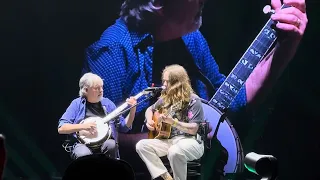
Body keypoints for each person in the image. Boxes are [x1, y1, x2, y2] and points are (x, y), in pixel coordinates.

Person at [82, 0, 308, 133]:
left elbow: (230, 104)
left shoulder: (190, 38)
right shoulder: (111, 53)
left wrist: (284, 49)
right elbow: (102, 142)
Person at [136, 64, 205, 180]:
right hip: (169, 141)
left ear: (177, 83)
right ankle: (166, 177)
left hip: (190, 141)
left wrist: (174, 123)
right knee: (141, 145)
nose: (164, 85)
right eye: (163, 81)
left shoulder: (193, 100)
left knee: (175, 151)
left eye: (167, 82)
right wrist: (149, 120)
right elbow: (150, 109)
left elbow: (193, 129)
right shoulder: (166, 100)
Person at [57, 72, 137, 159]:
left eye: (102, 87)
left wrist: (132, 110)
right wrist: (83, 126)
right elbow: (61, 128)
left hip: (105, 142)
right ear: (86, 90)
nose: (101, 90)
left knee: (111, 145)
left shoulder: (108, 104)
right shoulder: (77, 104)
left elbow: (124, 127)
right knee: (84, 154)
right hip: (82, 144)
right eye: (96, 88)